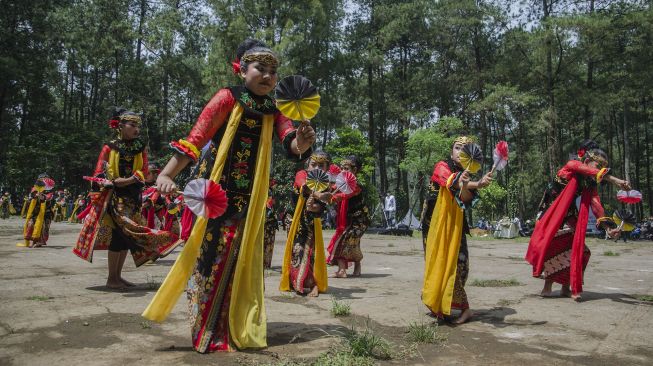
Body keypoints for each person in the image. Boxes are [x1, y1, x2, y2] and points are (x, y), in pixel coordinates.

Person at [142, 39, 316, 353]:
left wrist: (302, 141)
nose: (267, 76)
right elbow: (197, 138)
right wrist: (166, 174)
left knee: (243, 259)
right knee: (211, 256)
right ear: (241, 70)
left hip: (251, 196)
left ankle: (235, 325)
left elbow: (291, 145)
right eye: (260, 69)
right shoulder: (227, 97)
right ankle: (208, 329)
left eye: (273, 71)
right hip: (215, 193)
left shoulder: (275, 108)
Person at [72, 108, 180, 289]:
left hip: (133, 197)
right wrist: (113, 181)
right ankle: (112, 278)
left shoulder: (140, 147)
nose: (136, 128)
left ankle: (116, 277)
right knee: (119, 236)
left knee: (123, 238)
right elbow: (99, 171)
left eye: (138, 125)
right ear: (120, 126)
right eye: (132, 124)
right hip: (114, 198)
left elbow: (145, 173)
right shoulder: (110, 147)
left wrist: (132, 179)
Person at [526, 145, 629, 301]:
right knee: (556, 246)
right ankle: (547, 287)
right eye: (598, 166)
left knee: (582, 251)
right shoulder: (571, 167)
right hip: (551, 215)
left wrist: (608, 228)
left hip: (568, 216)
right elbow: (587, 171)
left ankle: (566, 286)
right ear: (587, 160)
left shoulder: (589, 183)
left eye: (603, 168)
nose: (600, 170)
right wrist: (613, 179)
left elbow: (596, 204)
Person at [422, 136, 492, 324]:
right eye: (457, 147)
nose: (460, 151)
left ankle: (465, 309)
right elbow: (450, 181)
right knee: (437, 263)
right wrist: (476, 183)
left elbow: (466, 198)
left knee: (457, 265)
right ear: (451, 152)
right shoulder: (441, 166)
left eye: (464, 149)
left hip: (455, 227)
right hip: (433, 225)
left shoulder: (466, 175)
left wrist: (478, 184)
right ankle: (439, 305)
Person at [280, 151, 330, 297]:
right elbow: (303, 186)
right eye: (313, 164)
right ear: (307, 166)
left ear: (327, 168)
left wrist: (315, 206)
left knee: (309, 252)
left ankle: (311, 283)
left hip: (310, 223)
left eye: (321, 165)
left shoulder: (325, 185)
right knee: (297, 250)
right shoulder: (301, 174)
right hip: (295, 221)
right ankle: (296, 281)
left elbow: (320, 208)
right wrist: (318, 195)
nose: (317, 168)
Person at [327, 155, 370, 278]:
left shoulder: (356, 185)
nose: (342, 171)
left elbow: (343, 196)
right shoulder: (340, 182)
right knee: (352, 242)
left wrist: (329, 198)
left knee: (345, 241)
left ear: (354, 170)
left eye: (346, 168)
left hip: (360, 220)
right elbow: (333, 188)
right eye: (342, 168)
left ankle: (342, 271)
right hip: (349, 218)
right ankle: (353, 268)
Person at [17, 174, 56, 248]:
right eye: (41, 179)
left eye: (45, 178)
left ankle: (39, 241)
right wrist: (37, 193)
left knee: (44, 227)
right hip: (35, 212)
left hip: (46, 213)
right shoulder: (35, 189)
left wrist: (41, 195)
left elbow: (47, 198)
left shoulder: (50, 192)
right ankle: (32, 240)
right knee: (31, 224)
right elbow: (33, 196)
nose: (43, 180)